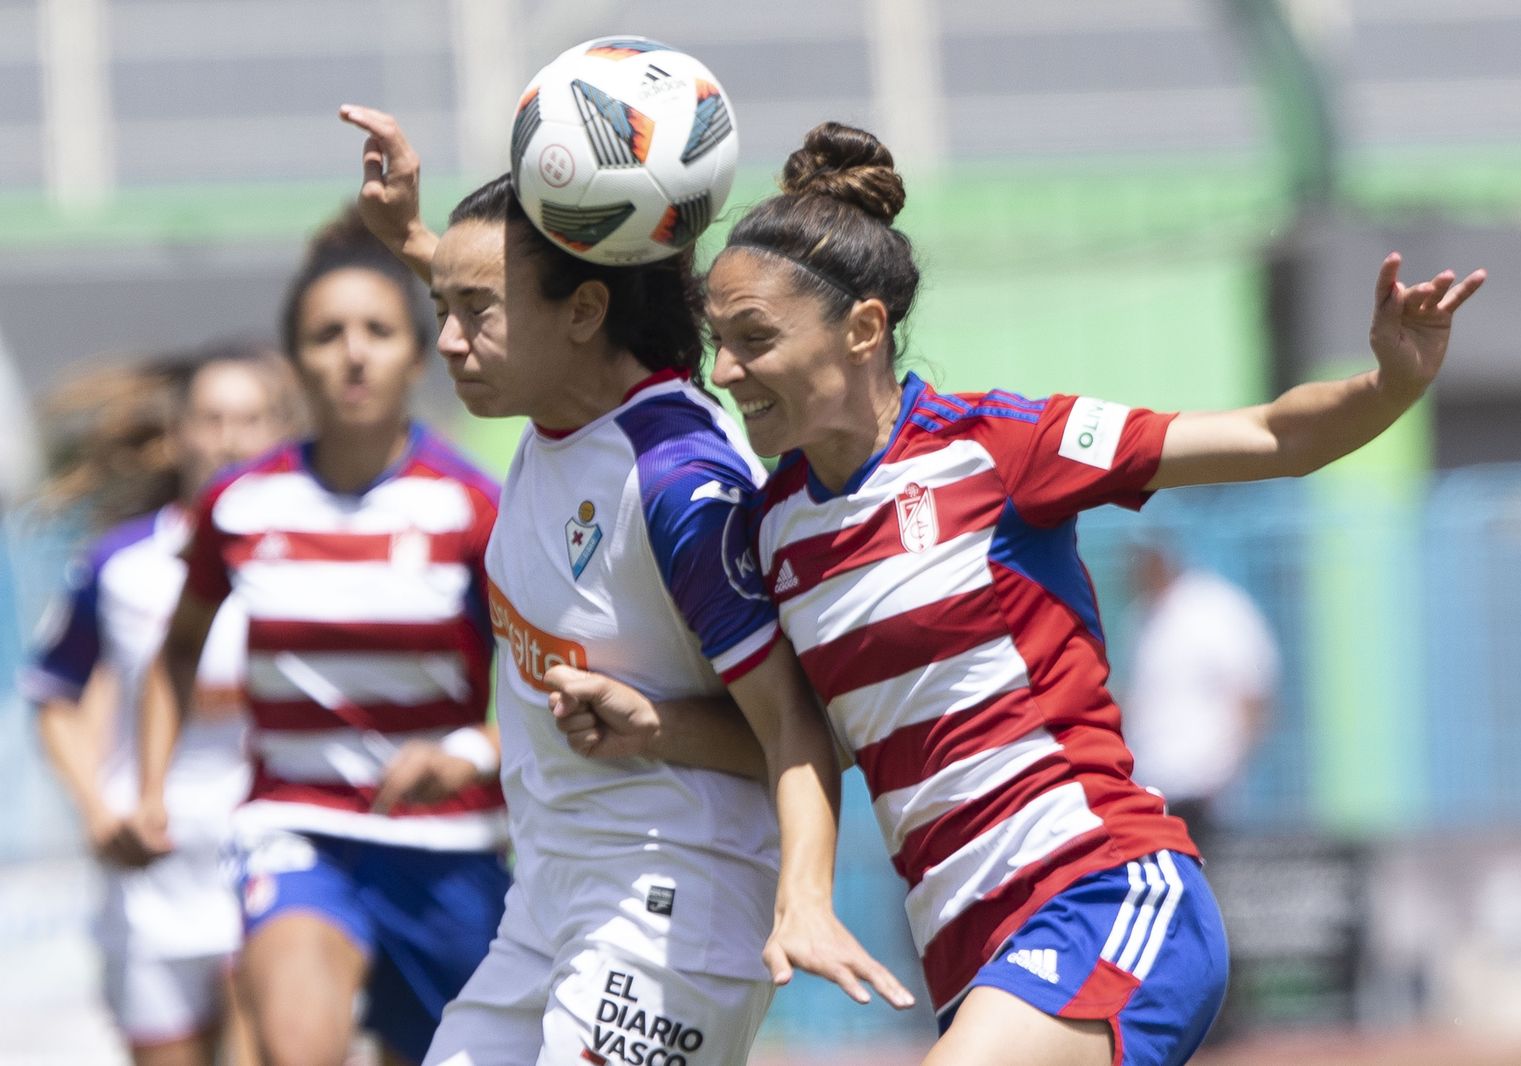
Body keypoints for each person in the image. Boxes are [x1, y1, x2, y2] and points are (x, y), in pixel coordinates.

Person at [682, 122, 1483, 1066]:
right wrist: (640, 728)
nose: (726, 372)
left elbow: (1274, 436)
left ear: (862, 329)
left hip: (1102, 893)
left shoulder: (1001, 446)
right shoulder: (774, 529)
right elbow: (800, 736)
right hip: (968, 952)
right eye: (717, 343)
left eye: (753, 339)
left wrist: (1391, 382)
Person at [338, 104, 910, 1066]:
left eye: (472, 312)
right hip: (549, 894)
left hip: (671, 902)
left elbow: (802, 728)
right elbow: (517, 302)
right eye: (442, 306)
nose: (446, 341)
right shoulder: (555, 402)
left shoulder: (679, 483)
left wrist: (804, 898)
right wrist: (414, 241)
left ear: (586, 309)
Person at [130, 208, 513, 1066]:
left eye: (377, 330)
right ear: (295, 361)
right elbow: (178, 647)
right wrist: (151, 786)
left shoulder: (472, 507)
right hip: (296, 830)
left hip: (447, 847)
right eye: (326, 333)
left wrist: (471, 754)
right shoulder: (239, 505)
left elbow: (538, 682)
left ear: (418, 355)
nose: (352, 352)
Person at [21, 340, 300, 1066]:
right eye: (209, 418)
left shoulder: (313, 554)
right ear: (177, 434)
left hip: (271, 856)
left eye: (250, 418)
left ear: (281, 430)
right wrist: (97, 811)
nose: (229, 437)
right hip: (154, 871)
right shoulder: (119, 564)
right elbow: (55, 695)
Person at [1121, 538, 1280, 855]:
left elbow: (1253, 694)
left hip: (1204, 789)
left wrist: (1226, 773)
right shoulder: (1141, 616)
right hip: (1155, 787)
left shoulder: (1212, 606)